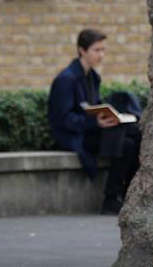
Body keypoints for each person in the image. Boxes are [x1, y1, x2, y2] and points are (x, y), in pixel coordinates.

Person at [48, 28, 141, 215]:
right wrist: (95, 123)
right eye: (97, 50)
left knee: (136, 134)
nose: (101, 55)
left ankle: (125, 194)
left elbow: (93, 108)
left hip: (89, 130)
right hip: (74, 136)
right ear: (82, 50)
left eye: (103, 50)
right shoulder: (66, 80)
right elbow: (63, 120)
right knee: (125, 144)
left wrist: (108, 118)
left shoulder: (92, 77)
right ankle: (110, 199)